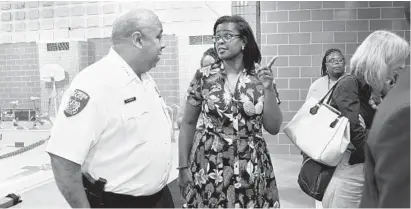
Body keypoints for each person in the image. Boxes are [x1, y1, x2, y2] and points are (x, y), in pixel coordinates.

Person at [45, 8, 175, 208]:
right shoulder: (95, 83)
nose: (163, 44)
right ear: (138, 40)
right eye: (158, 36)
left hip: (158, 198)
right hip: (119, 203)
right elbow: (63, 159)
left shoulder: (145, 79)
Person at [178, 15, 283, 208]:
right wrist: (183, 166)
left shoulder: (259, 77)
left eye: (227, 36)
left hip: (251, 164)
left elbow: (274, 127)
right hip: (210, 163)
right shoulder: (204, 76)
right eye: (217, 37)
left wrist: (268, 88)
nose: (220, 41)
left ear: (244, 41)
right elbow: (188, 123)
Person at [322, 30, 410, 208]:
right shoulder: (349, 84)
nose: (401, 69)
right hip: (348, 173)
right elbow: (359, 139)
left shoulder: (373, 89)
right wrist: (383, 133)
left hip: (364, 171)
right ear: (382, 62)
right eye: (398, 64)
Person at [359, 6, 410, 208]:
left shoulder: (386, 91)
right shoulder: (402, 109)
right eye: (400, 59)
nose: (404, 65)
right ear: (383, 59)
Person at [305, 48, 346, 209]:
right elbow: (309, 114)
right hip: (323, 140)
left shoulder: (353, 82)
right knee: (323, 181)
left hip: (346, 142)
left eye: (340, 59)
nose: (336, 62)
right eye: (332, 60)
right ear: (325, 66)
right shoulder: (317, 86)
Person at [176, 47, 219, 129]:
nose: (207, 72)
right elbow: (180, 121)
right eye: (204, 67)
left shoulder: (226, 92)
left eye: (211, 67)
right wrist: (201, 123)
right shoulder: (195, 90)